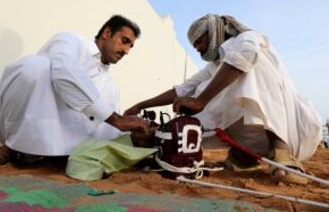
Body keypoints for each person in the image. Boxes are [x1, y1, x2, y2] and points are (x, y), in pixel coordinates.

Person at [124, 13, 322, 184]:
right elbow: (183, 89)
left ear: (213, 31)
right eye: (194, 46)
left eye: (199, 42)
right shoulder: (215, 66)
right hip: (258, 142)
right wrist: (140, 105)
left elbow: (243, 57)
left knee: (248, 66)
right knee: (204, 90)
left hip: (295, 130)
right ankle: (243, 155)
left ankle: (282, 151)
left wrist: (200, 101)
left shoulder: (248, 38)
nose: (198, 49)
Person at [0, 15, 149, 171]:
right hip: (13, 114)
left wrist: (135, 136)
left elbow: (108, 132)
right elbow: (63, 71)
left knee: (102, 118)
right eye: (124, 41)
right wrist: (116, 119)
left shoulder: (110, 88)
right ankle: (10, 148)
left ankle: (41, 155)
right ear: (107, 33)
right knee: (35, 67)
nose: (126, 51)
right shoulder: (70, 41)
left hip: (59, 150)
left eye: (131, 47)